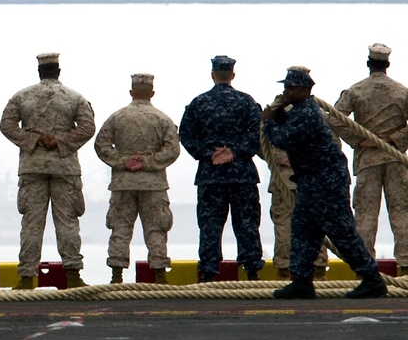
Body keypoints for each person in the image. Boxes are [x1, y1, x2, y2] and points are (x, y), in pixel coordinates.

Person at [262, 67, 387, 299]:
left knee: (341, 232)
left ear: (304, 90)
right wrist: (279, 116)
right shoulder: (300, 110)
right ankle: (301, 281)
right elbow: (289, 126)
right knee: (304, 230)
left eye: (290, 87)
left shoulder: (308, 114)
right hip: (312, 181)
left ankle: (372, 278)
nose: (285, 91)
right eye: (285, 86)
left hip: (325, 182)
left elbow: (283, 138)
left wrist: (269, 122)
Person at [0, 52, 96, 290]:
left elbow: (7, 125)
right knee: (67, 221)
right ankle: (73, 276)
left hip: (33, 167)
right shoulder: (74, 98)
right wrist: (61, 141)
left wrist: (33, 140)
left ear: (40, 72)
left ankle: (26, 278)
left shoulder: (22, 97)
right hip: (65, 168)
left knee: (32, 223)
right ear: (58, 72)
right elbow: (87, 127)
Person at [179, 55, 264, 282]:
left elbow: (186, 135)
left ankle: (208, 272)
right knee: (246, 223)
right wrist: (235, 152)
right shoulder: (247, 102)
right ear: (232, 75)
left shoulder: (198, 103)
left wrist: (209, 154)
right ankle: (252, 270)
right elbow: (258, 135)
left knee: (210, 225)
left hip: (211, 175)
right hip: (242, 175)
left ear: (213, 74)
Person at [329, 43, 408, 277]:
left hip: (367, 161)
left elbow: (334, 119)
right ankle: (406, 267)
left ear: (368, 64)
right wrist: (394, 139)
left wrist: (358, 139)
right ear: (388, 65)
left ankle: (364, 271)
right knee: (402, 214)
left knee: (364, 216)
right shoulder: (401, 92)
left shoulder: (356, 91)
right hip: (396, 161)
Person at [94, 73, 180, 285]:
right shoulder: (162, 119)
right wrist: (148, 162)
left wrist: (123, 161)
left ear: (131, 92)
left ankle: (116, 276)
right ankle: (159, 274)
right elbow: (172, 149)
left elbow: (101, 145)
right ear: (152, 93)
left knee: (120, 228)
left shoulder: (117, 118)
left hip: (123, 184)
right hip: (154, 185)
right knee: (156, 228)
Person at [263, 71, 330, 282]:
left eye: (289, 87)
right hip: (311, 176)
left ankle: (284, 270)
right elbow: (331, 146)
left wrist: (280, 158)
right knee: (315, 223)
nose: (285, 91)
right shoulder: (320, 114)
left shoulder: (278, 114)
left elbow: (264, 143)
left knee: (285, 224)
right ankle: (318, 269)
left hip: (288, 178)